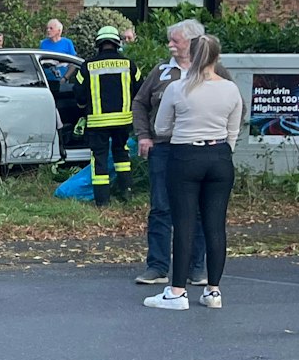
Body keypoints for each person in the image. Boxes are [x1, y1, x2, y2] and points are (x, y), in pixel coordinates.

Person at [145, 33, 243, 310]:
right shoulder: (230, 89)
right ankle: (213, 291)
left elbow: (161, 127)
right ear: (217, 57)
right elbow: (234, 127)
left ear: (193, 54)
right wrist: (224, 149)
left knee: (184, 223)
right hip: (220, 156)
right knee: (215, 225)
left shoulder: (178, 88)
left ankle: (177, 292)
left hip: (185, 155)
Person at [131, 18, 226, 286]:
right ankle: (157, 266)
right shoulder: (161, 72)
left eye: (176, 40)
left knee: (197, 209)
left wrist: (224, 142)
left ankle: (197, 267)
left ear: (194, 43)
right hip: (164, 149)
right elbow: (139, 103)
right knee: (161, 207)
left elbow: (233, 105)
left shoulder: (216, 72)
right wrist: (144, 135)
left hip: (198, 151)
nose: (170, 45)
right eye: (170, 40)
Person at [79, 26, 134, 206]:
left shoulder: (87, 66)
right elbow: (140, 89)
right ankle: (126, 193)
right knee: (122, 155)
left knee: (99, 159)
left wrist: (82, 107)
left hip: (97, 123)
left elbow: (78, 93)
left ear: (98, 44)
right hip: (124, 121)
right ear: (117, 43)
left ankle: (102, 201)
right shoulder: (128, 64)